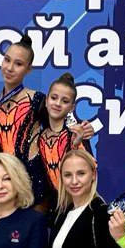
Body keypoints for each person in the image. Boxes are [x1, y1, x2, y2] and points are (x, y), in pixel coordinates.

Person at [0, 34, 50, 205]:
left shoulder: (38, 100)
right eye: (7, 60)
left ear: (28, 69)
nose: (9, 68)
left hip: (34, 186)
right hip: (3, 186)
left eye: (18, 64)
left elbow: (57, 137)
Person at [32, 73, 97, 202]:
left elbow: (91, 171)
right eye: (54, 98)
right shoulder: (38, 137)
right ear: (46, 100)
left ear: (72, 107)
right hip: (49, 205)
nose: (58, 103)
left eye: (65, 101)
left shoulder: (76, 135)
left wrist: (76, 145)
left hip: (75, 202)